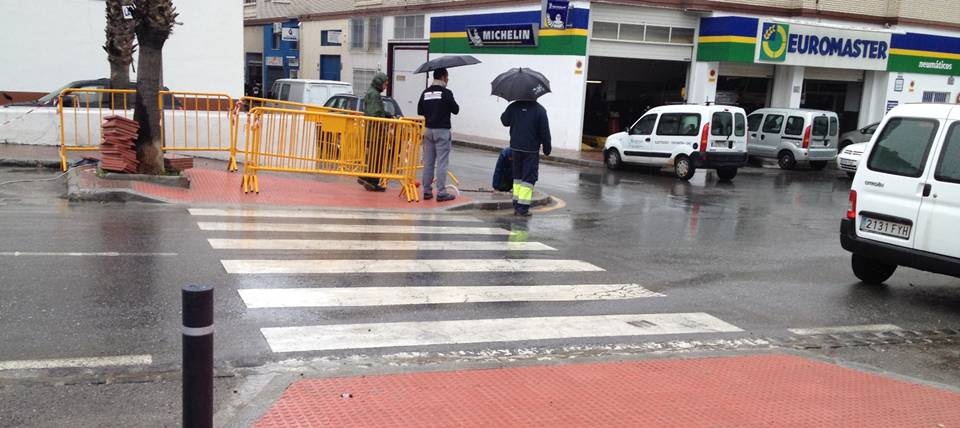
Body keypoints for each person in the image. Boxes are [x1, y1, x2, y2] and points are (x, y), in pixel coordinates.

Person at [500, 99, 551, 216]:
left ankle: (516, 203)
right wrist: (547, 148)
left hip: (515, 148)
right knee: (528, 180)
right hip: (531, 151)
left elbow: (504, 121)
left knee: (517, 178)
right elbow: (545, 132)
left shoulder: (513, 106)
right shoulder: (540, 110)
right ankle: (522, 208)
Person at [417, 68, 460, 202]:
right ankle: (441, 192)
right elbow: (456, 110)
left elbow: (420, 110)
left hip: (428, 130)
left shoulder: (425, 92)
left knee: (428, 163)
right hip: (442, 131)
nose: (448, 80)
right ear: (442, 77)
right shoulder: (446, 93)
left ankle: (427, 191)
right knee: (442, 163)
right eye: (447, 77)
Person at [358, 72, 389, 192]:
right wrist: (384, 119)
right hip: (376, 132)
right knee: (377, 157)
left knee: (372, 156)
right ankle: (371, 180)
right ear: (379, 83)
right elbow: (374, 112)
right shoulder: (375, 95)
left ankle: (368, 178)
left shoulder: (371, 92)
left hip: (371, 131)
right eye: (385, 84)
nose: (385, 87)